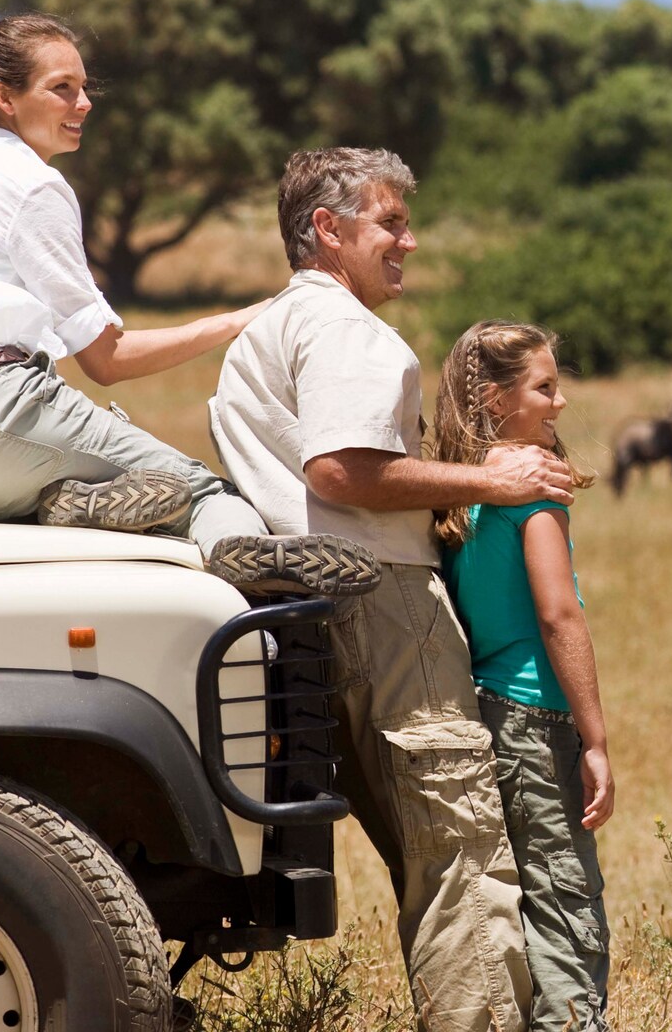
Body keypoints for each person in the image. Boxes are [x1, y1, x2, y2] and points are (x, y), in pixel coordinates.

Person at [208, 146, 576, 1032]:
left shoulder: (263, 334)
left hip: (301, 607)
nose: (409, 241)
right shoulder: (349, 332)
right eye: (391, 223)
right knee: (459, 845)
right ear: (327, 230)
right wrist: (494, 481)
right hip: (388, 602)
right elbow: (342, 470)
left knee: (425, 843)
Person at [0, 13, 376, 596]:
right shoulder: (31, 183)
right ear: (6, 98)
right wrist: (237, 319)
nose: (84, 103)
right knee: (203, 494)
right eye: (61, 88)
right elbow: (108, 360)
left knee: (111, 498)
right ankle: (249, 560)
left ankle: (64, 503)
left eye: (84, 87)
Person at [434, 321, 613, 1032]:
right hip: (537, 716)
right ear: (495, 398)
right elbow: (558, 615)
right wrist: (595, 740)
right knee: (564, 899)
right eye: (544, 387)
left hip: (483, 708)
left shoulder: (463, 489)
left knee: (511, 894)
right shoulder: (533, 491)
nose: (559, 403)